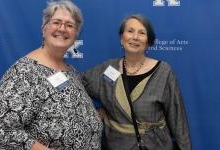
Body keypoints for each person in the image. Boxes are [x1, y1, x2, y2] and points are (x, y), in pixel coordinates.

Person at [0, 1, 102, 150]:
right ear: (44, 28)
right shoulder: (25, 72)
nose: (62, 28)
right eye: (56, 22)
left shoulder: (70, 71)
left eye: (69, 25)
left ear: (76, 34)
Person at [82, 14, 191, 150]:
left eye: (141, 33)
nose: (135, 37)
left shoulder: (164, 71)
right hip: (117, 145)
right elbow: (77, 86)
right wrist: (96, 111)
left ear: (148, 42)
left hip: (156, 145)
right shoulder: (107, 69)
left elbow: (178, 119)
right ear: (122, 39)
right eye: (130, 31)